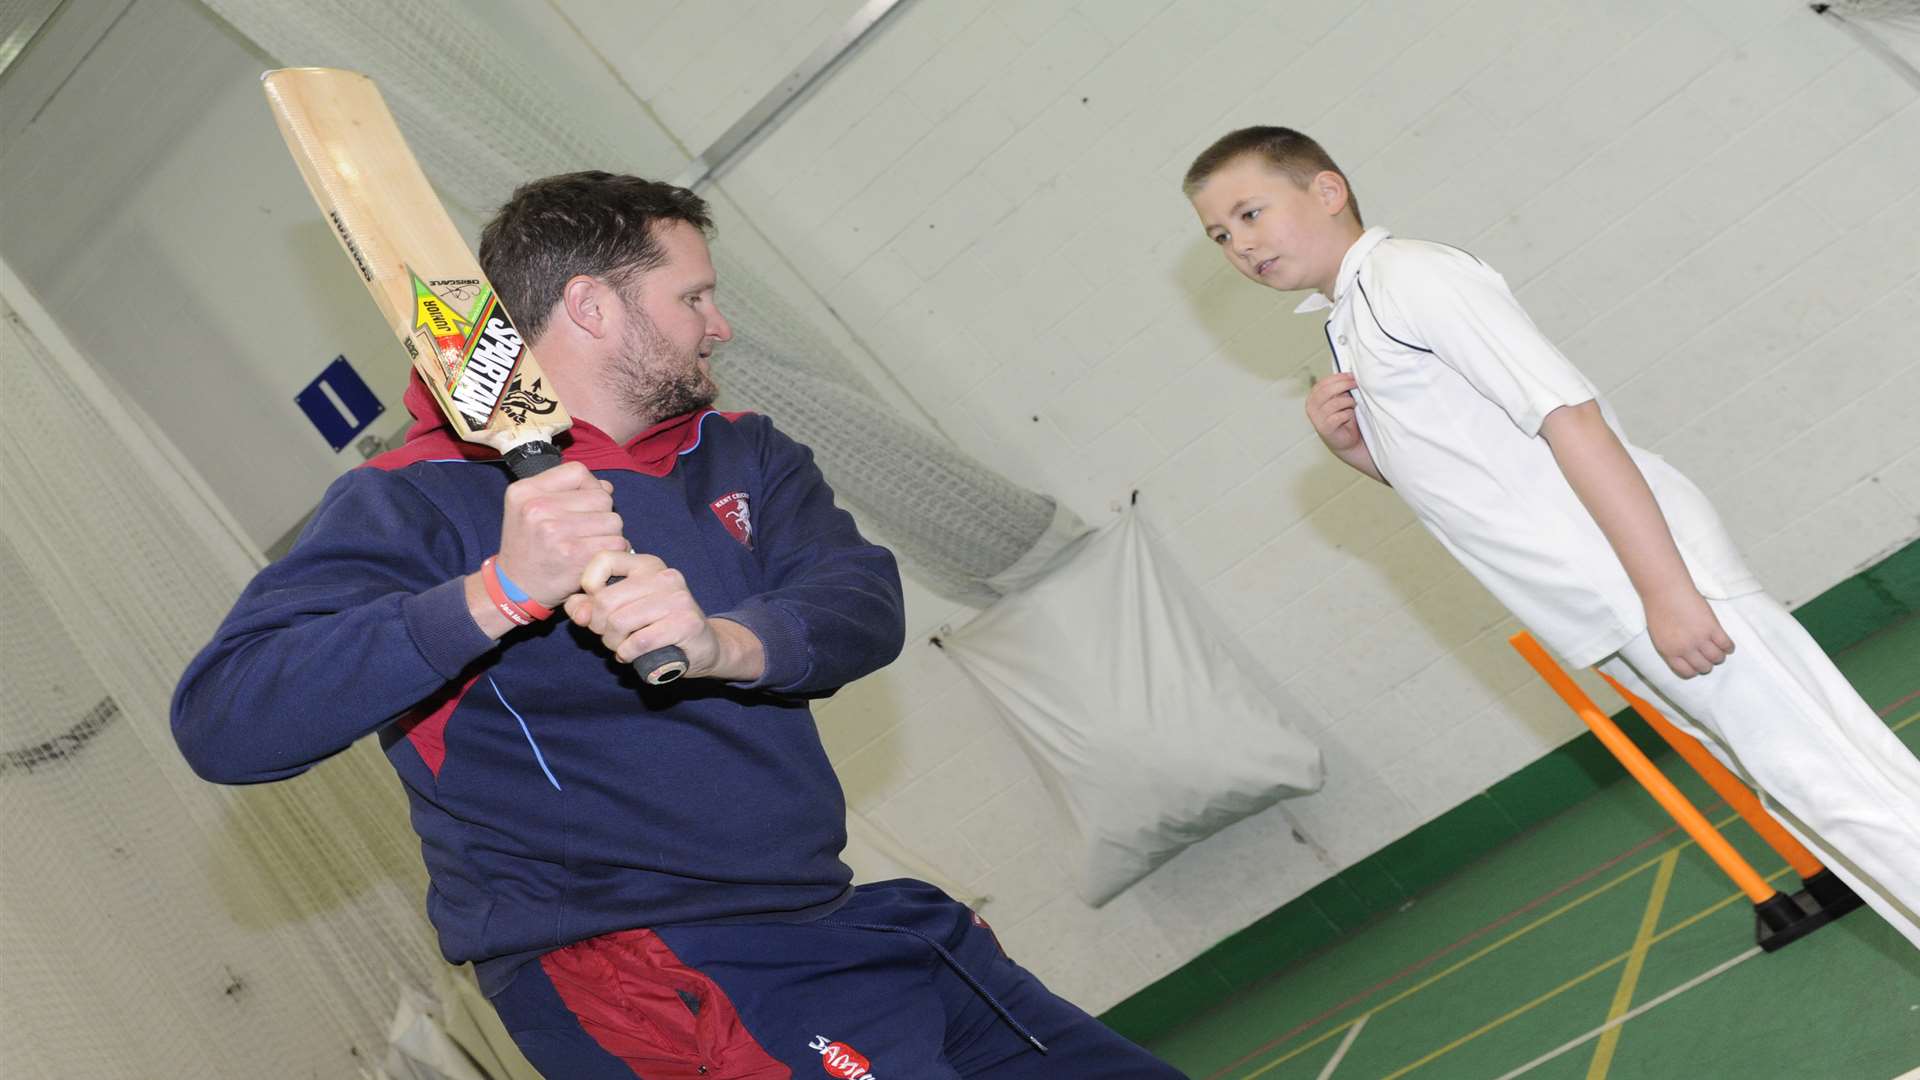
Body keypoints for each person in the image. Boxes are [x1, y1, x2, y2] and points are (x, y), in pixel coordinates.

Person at [174, 172, 1184, 1078]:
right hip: (644, 965)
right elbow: (227, 720)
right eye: (693, 297)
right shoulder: (414, 499)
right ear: (591, 306)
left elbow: (859, 603)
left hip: (841, 917)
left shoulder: (741, 454)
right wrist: (503, 592)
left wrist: (720, 643)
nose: (719, 325)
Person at [1184, 127, 1920, 949]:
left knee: (1850, 788)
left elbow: (1569, 417)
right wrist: (1358, 452)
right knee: (1811, 801)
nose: (1240, 244)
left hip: (1649, 583)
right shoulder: (1348, 323)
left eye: (1250, 212)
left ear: (1326, 190)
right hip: (1616, 606)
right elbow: (1470, 482)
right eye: (1220, 235)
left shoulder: (1411, 278)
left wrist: (1666, 593)